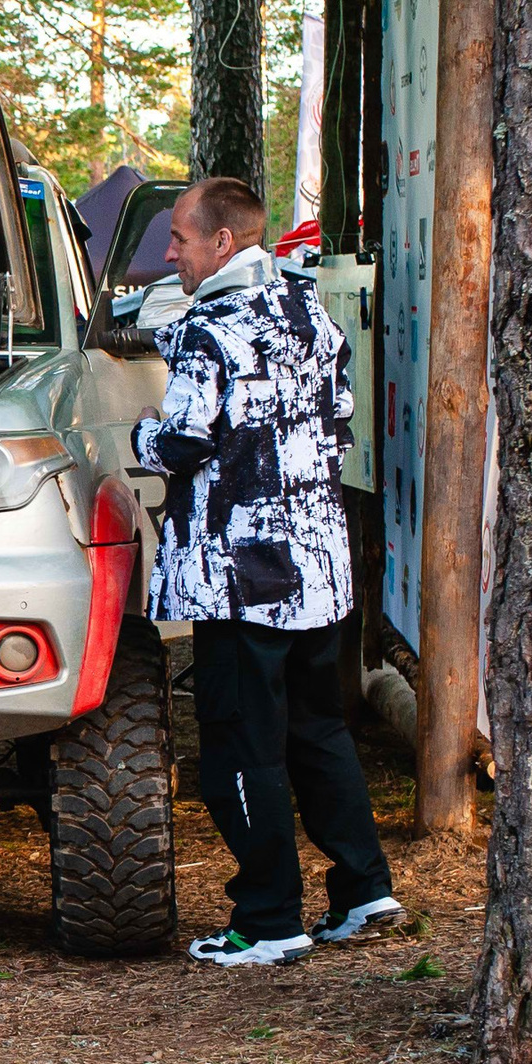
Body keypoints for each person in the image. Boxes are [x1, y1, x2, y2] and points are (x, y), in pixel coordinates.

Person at [132, 177, 402, 967]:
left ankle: (269, 919)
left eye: (180, 237)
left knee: (239, 746)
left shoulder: (209, 328)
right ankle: (363, 888)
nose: (170, 251)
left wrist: (137, 436)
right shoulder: (311, 312)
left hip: (239, 573)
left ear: (223, 243)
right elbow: (339, 413)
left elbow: (184, 440)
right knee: (318, 731)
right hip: (316, 565)